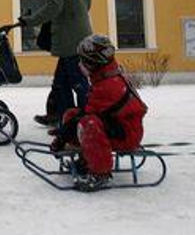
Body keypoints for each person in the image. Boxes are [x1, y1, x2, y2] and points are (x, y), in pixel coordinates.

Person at [50, 34, 148, 192]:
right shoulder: (104, 78)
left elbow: (88, 115)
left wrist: (62, 136)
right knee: (72, 114)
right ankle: (87, 159)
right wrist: (64, 131)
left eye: (82, 61)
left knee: (88, 124)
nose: (79, 65)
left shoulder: (108, 86)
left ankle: (100, 173)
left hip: (127, 134)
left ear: (94, 63)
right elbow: (85, 112)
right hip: (116, 125)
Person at [19, 0, 93, 127]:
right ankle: (61, 117)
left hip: (68, 39)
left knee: (76, 83)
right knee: (62, 82)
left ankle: (82, 121)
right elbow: (87, 4)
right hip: (84, 36)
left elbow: (53, 6)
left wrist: (30, 20)